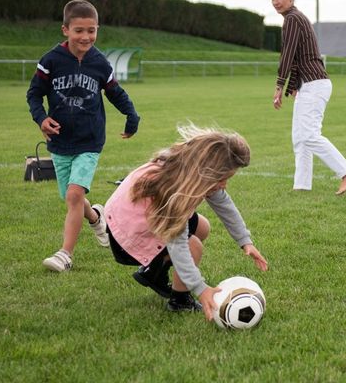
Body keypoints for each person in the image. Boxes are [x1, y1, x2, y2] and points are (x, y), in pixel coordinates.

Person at [101, 125, 268, 320]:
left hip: (132, 219)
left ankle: (153, 273)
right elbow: (177, 244)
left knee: (202, 227)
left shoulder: (192, 170)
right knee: (192, 247)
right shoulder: (177, 192)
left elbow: (224, 205)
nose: (224, 185)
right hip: (126, 234)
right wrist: (200, 288)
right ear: (208, 172)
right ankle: (180, 301)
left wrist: (245, 241)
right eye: (222, 179)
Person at [26, 0, 140, 272]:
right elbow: (34, 94)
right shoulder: (50, 61)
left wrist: (131, 116)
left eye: (91, 30)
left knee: (74, 195)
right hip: (60, 142)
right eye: (79, 30)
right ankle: (97, 217)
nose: (86, 36)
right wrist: (42, 119)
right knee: (71, 198)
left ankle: (65, 254)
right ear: (65, 30)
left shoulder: (100, 62)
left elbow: (115, 92)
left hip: (89, 141)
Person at [269, 0, 346, 195]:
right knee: (300, 138)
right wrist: (292, 85)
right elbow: (299, 57)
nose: (276, 2)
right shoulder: (295, 18)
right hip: (308, 85)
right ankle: (302, 186)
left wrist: (280, 85)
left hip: (315, 84)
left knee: (308, 135)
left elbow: (288, 54)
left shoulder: (292, 19)